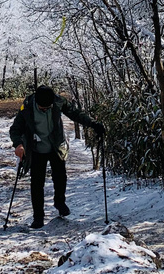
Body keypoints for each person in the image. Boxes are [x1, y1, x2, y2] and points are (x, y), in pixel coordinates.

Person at [9, 83, 105, 229]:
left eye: (48, 108)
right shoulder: (27, 107)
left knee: (60, 177)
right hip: (36, 149)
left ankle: (59, 202)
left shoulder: (58, 102)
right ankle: (38, 217)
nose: (45, 110)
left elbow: (75, 114)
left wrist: (93, 124)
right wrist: (18, 144)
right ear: (36, 102)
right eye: (42, 108)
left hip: (56, 146)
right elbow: (15, 129)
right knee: (37, 183)